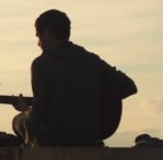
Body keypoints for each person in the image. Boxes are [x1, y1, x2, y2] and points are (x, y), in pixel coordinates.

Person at [12, 9, 137, 146]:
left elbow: (38, 115)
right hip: (88, 136)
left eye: (38, 36)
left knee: (18, 121)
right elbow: (129, 86)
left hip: (52, 139)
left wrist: (25, 110)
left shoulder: (41, 64)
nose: (38, 43)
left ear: (46, 33)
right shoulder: (92, 61)